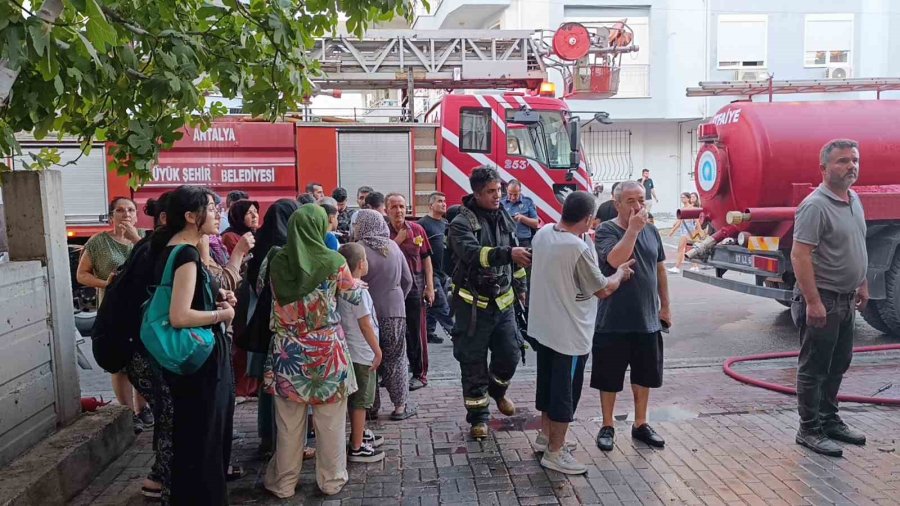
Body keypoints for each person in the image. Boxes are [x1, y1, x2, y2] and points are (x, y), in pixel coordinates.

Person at [529, 191, 633, 474]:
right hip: (569, 335)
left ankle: (546, 437)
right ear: (588, 219)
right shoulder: (576, 248)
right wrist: (620, 273)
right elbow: (603, 289)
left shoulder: (543, 234)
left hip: (544, 328)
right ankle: (555, 451)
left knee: (548, 386)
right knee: (565, 394)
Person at [263, 205, 362, 498]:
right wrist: (356, 283)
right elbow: (353, 296)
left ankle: (284, 483)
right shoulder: (334, 261)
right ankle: (331, 481)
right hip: (327, 352)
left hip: (287, 353)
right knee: (330, 423)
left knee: (288, 425)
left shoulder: (275, 260)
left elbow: (260, 289)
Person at [149, 185, 236, 505]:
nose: (217, 214)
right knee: (205, 442)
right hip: (199, 360)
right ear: (190, 216)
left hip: (191, 360)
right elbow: (180, 315)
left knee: (195, 440)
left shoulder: (173, 248)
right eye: (210, 208)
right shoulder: (184, 254)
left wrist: (216, 295)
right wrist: (222, 314)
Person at [791, 139, 868, 458]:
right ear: (823, 168)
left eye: (854, 160)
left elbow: (856, 243)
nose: (851, 166)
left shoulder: (854, 199)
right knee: (815, 366)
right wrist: (813, 301)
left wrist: (862, 282)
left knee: (839, 362)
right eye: (842, 161)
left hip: (847, 298)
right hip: (824, 297)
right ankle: (809, 429)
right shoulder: (815, 206)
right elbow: (800, 255)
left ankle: (829, 420)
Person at [448, 167, 531, 439]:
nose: (497, 196)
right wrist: (508, 253)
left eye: (499, 190)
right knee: (473, 364)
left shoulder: (503, 215)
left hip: (504, 305)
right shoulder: (461, 223)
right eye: (491, 192)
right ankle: (478, 418)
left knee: (511, 353)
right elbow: (474, 254)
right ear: (477, 193)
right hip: (473, 308)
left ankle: (497, 391)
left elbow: (516, 258)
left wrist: (521, 288)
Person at [592, 181, 671, 453]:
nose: (638, 206)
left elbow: (660, 269)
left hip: (646, 317)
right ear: (617, 204)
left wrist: (665, 307)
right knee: (608, 375)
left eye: (641, 200)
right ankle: (607, 425)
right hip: (613, 318)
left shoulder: (652, 230)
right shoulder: (606, 230)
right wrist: (633, 230)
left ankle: (641, 423)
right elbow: (614, 261)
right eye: (630, 201)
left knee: (644, 375)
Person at [76, 196, 151, 433]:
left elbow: (156, 266)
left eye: (131, 210)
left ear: (137, 216)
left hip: (142, 309)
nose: (126, 214)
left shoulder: (145, 238)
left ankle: (143, 408)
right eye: (120, 210)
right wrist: (105, 283)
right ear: (111, 217)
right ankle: (127, 413)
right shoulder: (98, 242)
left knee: (143, 358)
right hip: (113, 310)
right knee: (119, 363)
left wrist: (136, 240)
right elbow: (82, 274)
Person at [246, 199, 300, 456]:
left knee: (267, 383)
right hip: (286, 326)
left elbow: (255, 284)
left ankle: (267, 437)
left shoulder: (260, 246)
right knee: (286, 385)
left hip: (263, 323)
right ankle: (287, 443)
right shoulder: (290, 250)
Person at [352, 210, 416, 421]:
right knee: (396, 359)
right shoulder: (393, 246)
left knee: (370, 359)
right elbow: (408, 280)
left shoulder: (358, 249)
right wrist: (397, 298)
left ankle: (371, 406)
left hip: (366, 314)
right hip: (394, 311)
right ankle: (400, 407)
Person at [337, 243, 386, 463]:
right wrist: (377, 351)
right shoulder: (358, 292)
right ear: (360, 264)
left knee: (357, 398)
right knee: (361, 400)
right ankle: (356, 446)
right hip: (363, 351)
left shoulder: (343, 288)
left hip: (351, 348)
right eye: (365, 258)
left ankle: (360, 432)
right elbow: (365, 324)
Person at [386, 193, 435, 390]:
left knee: (416, 333)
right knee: (392, 334)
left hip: (415, 289)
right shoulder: (383, 232)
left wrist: (429, 286)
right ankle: (392, 374)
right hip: (391, 290)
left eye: (401, 206)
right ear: (386, 210)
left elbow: (427, 259)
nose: (398, 210)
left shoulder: (417, 229)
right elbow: (383, 256)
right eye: (394, 207)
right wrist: (397, 241)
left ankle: (419, 374)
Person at [419, 192, 454, 344]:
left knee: (433, 303)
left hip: (443, 272)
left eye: (444, 201)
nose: (443, 204)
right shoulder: (423, 224)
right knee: (442, 305)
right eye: (439, 201)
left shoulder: (446, 224)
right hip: (430, 272)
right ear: (431, 205)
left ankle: (428, 332)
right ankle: (456, 334)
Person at [667, 192, 700, 274]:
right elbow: (680, 221)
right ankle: (695, 266)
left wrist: (699, 231)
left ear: (688, 199)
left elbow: (697, 221)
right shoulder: (682, 208)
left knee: (681, 249)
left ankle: (677, 267)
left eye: (684, 197)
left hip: (689, 231)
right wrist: (673, 230)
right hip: (683, 230)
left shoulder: (692, 208)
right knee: (688, 249)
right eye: (681, 197)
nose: (682, 199)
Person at [501, 180, 540, 247]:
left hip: (524, 241)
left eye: (515, 194)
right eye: (510, 194)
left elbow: (536, 224)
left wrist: (522, 218)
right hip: (507, 241)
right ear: (506, 190)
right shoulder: (501, 203)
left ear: (520, 191)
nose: (513, 197)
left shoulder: (527, 202)